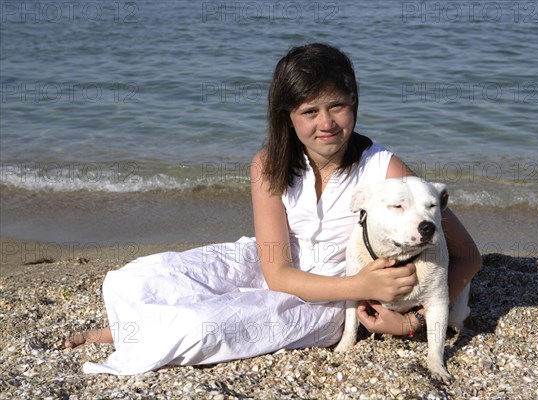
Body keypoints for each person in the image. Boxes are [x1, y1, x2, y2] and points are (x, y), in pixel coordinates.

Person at [64, 43, 481, 375]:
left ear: (354, 101)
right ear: (288, 117)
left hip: (326, 301)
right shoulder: (269, 163)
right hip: (271, 263)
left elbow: (467, 255)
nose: (327, 123)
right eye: (309, 111)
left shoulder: (385, 169)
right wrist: (366, 288)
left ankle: (122, 334)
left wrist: (414, 322)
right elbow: (277, 272)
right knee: (136, 277)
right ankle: (127, 329)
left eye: (337, 105)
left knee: (202, 327)